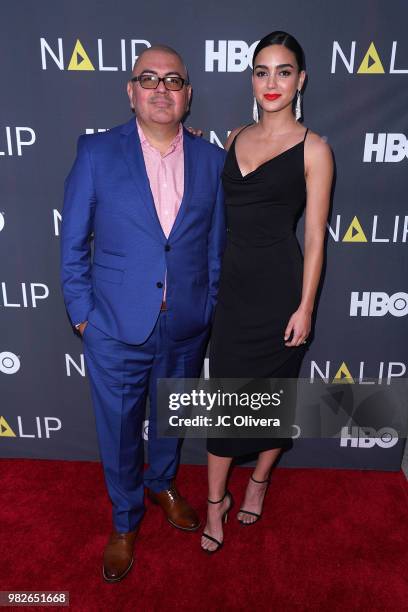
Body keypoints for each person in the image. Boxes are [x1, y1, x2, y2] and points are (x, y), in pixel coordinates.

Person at [60, 44, 226, 580]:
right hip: (113, 326)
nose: (161, 89)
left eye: (172, 80)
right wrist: (84, 315)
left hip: (185, 323)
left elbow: (215, 248)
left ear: (187, 95)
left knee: (171, 419)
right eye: (148, 79)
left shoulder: (212, 161)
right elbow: (72, 245)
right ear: (131, 91)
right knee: (120, 428)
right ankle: (127, 517)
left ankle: (162, 483)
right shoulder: (96, 153)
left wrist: (207, 307)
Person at [201, 31, 333, 553]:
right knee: (223, 402)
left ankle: (257, 481)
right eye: (261, 71)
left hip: (281, 290)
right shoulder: (233, 138)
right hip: (232, 292)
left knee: (275, 401)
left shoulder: (315, 149)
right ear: (251, 80)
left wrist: (305, 306)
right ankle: (216, 503)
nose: (271, 82)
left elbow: (316, 237)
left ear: (300, 80)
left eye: (283, 71)